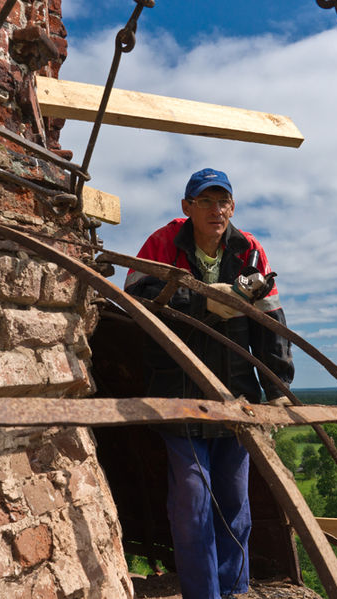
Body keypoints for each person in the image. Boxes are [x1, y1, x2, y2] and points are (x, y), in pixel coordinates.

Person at [124, 167, 294, 599]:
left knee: (235, 500)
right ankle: (204, 594)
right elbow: (137, 301)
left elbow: (270, 321)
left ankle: (234, 589)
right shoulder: (162, 243)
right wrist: (204, 300)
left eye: (223, 202)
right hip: (177, 391)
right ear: (187, 207)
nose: (215, 210)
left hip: (233, 394)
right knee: (193, 502)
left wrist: (277, 389)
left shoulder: (249, 249)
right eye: (205, 201)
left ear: (232, 207)